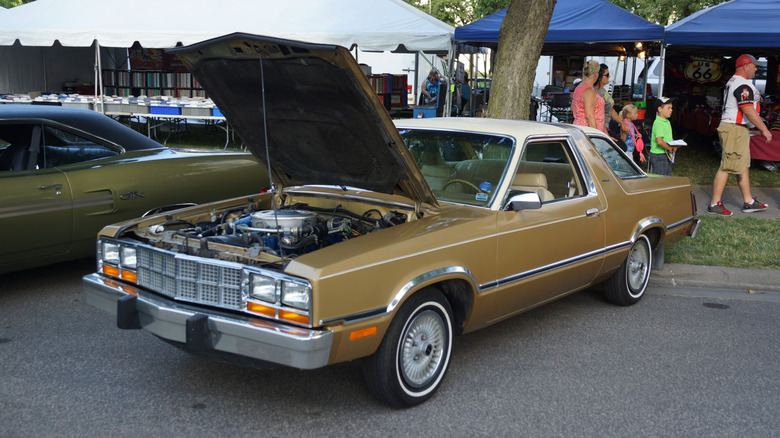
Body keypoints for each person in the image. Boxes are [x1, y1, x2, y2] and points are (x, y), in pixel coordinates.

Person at [707, 54, 772, 215]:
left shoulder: (735, 81)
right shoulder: (742, 85)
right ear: (745, 66)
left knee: (742, 165)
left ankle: (748, 201)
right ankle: (714, 204)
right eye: (754, 65)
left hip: (736, 128)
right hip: (734, 128)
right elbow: (748, 110)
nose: (756, 69)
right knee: (727, 165)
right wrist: (764, 129)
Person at [595, 63, 629, 138]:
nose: (609, 77)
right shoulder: (595, 92)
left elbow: (611, 110)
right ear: (599, 77)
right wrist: (605, 134)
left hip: (606, 126)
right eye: (607, 75)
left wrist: (622, 123)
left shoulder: (603, 90)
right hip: (601, 128)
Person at [571, 60, 605, 131]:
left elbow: (572, 108)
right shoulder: (589, 91)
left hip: (579, 127)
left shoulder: (578, 88)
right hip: (587, 130)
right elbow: (589, 116)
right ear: (596, 74)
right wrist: (596, 134)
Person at [648, 97, 677, 176]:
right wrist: (671, 148)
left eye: (671, 108)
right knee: (660, 178)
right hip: (659, 155)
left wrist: (675, 144)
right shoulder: (659, 123)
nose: (671, 110)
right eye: (668, 108)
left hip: (666, 153)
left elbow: (668, 137)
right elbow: (659, 141)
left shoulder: (666, 122)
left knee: (667, 176)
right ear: (660, 109)